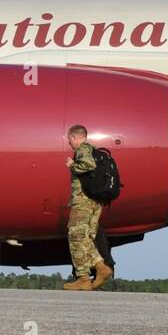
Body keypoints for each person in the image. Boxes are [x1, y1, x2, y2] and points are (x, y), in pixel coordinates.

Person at [65, 124, 115, 290]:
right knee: (86, 236)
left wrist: (72, 165)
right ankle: (97, 271)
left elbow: (88, 165)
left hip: (83, 201)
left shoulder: (83, 150)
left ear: (75, 137)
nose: (69, 144)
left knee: (76, 235)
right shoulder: (93, 150)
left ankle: (86, 276)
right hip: (95, 201)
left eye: (69, 140)